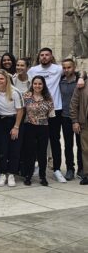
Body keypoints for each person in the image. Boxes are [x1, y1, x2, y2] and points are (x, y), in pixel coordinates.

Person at [27, 48, 75, 183]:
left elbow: (74, 72)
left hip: (56, 109)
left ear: (51, 56)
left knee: (54, 140)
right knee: (38, 140)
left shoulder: (58, 69)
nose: (44, 57)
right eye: (42, 55)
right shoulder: (33, 70)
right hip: (38, 110)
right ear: (39, 57)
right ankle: (38, 166)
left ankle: (57, 169)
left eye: (47, 55)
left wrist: (82, 77)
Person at [0, 69, 24, 187]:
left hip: (14, 121)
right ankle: (3, 172)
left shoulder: (15, 92)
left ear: (6, 80)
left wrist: (16, 127)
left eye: (1, 78)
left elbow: (20, 110)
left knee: (14, 149)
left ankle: (11, 174)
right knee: (1, 148)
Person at [22, 76, 54, 186]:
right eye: (35, 83)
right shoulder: (26, 96)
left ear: (43, 85)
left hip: (43, 127)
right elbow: (22, 111)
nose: (37, 86)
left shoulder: (48, 97)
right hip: (29, 127)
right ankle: (28, 175)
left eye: (40, 84)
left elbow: (51, 114)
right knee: (29, 153)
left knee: (42, 153)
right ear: (32, 84)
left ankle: (42, 176)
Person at [60, 59, 83, 180]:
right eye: (64, 68)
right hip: (65, 117)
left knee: (81, 145)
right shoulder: (61, 81)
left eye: (69, 67)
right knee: (68, 145)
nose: (66, 70)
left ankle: (81, 169)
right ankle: (70, 168)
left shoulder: (80, 81)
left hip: (79, 118)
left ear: (74, 67)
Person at [70, 77, 88, 184]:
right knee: (85, 150)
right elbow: (74, 104)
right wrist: (75, 121)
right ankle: (86, 174)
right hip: (85, 123)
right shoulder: (82, 84)